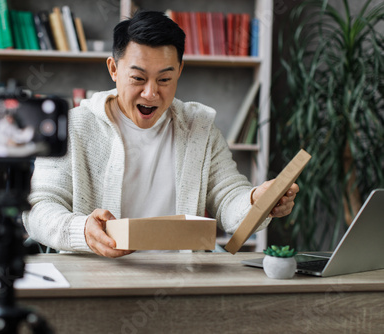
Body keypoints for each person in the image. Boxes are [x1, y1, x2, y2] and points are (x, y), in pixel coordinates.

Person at [23, 11, 298, 258]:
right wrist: (82, 229)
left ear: (179, 71)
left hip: (178, 279)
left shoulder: (199, 128)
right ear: (114, 69)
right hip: (95, 278)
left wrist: (255, 201)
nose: (151, 93)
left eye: (164, 79)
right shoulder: (72, 126)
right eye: (138, 78)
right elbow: (38, 208)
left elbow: (228, 199)